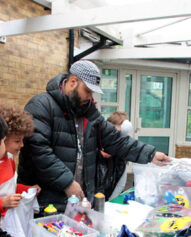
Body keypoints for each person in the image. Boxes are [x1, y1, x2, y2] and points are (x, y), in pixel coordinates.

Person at [18, 60, 169, 213]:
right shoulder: (41, 106)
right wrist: (67, 182)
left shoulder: (88, 111)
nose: (90, 97)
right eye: (87, 91)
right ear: (72, 82)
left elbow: (115, 140)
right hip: (45, 204)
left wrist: (150, 154)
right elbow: (38, 151)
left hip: (77, 203)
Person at [0, 115, 31, 237]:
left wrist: (26, 189)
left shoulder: (10, 159)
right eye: (16, 141)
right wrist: (3, 203)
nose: (21, 145)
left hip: (5, 229)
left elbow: (10, 185)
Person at [96, 111, 133, 201]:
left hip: (110, 197)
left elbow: (121, 182)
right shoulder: (95, 148)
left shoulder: (120, 155)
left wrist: (110, 202)